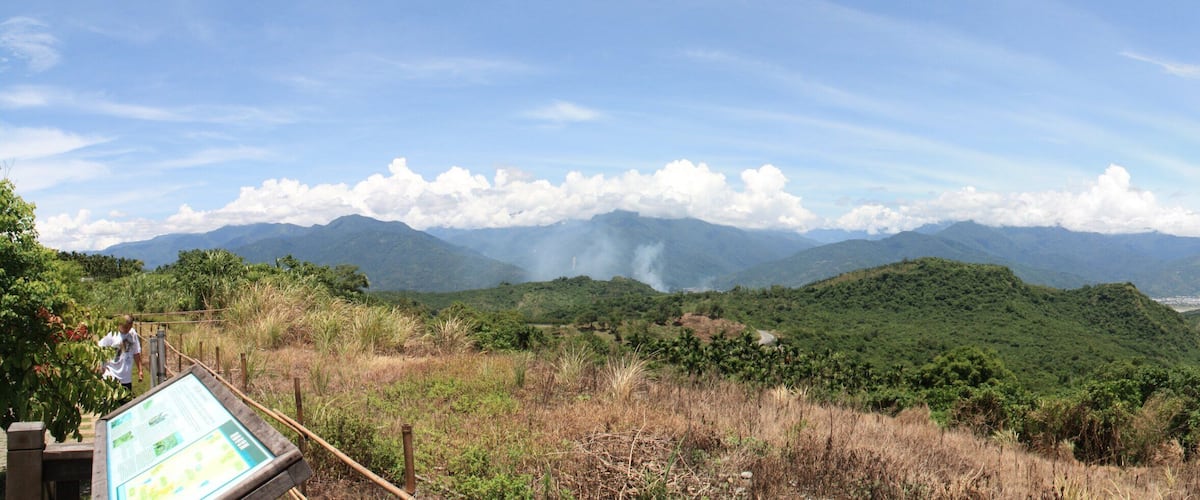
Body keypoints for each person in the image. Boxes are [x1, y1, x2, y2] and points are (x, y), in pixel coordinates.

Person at [99, 314, 143, 402]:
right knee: (111, 405)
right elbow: (100, 350)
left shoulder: (132, 333)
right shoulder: (111, 334)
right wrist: (101, 367)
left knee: (125, 405)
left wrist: (140, 370)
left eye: (129, 328)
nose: (127, 330)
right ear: (120, 324)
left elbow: (136, 352)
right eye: (125, 327)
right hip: (111, 375)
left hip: (126, 377)